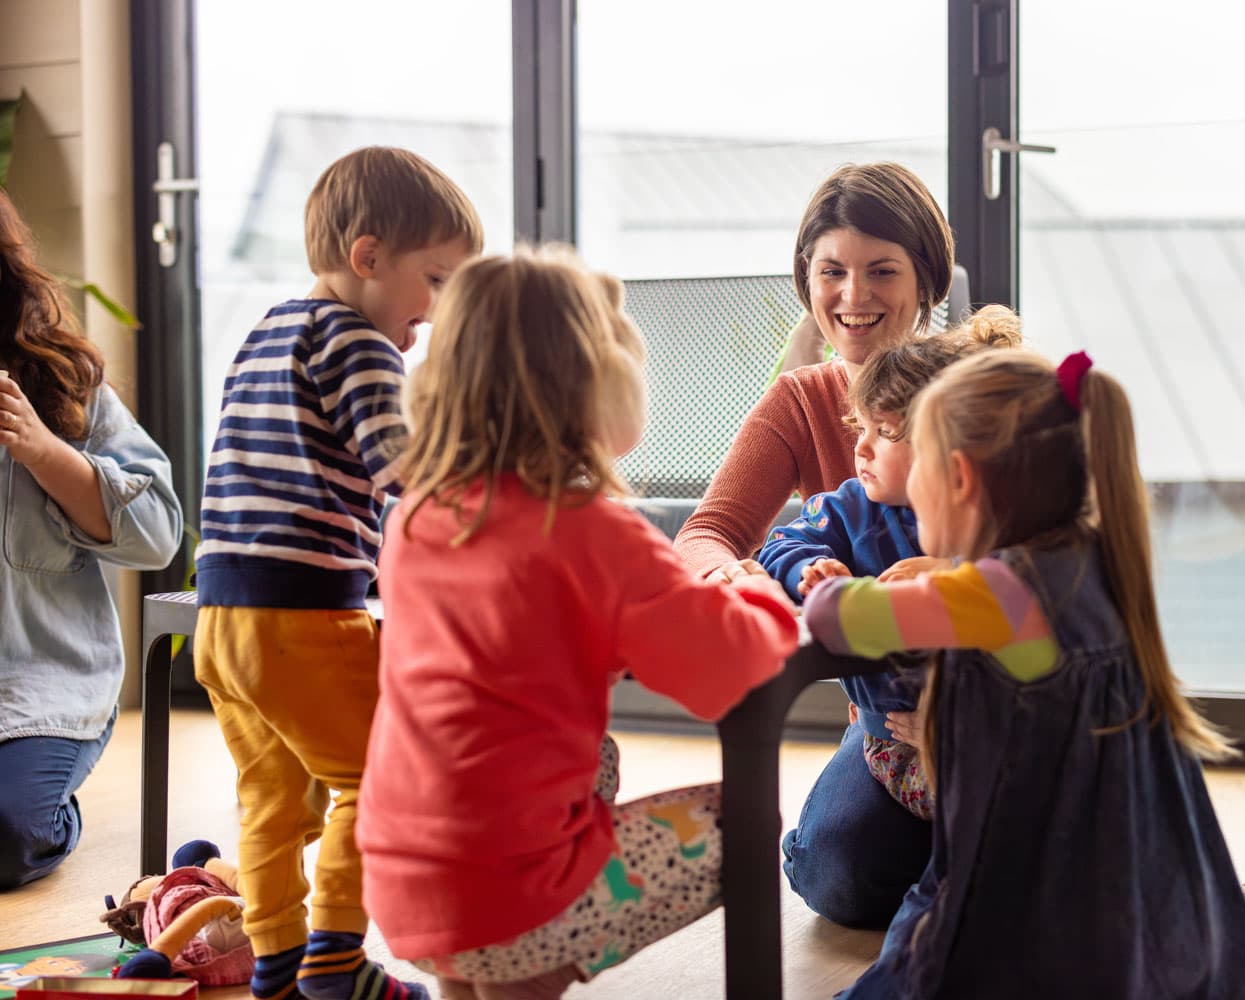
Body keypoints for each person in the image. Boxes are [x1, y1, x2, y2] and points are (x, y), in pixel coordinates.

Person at [356, 248, 800, 1000]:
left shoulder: (419, 517)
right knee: (742, 821)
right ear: (595, 385)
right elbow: (730, 666)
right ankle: (530, 965)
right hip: (515, 894)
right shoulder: (592, 531)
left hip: (402, 876)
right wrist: (758, 593)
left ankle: (487, 970)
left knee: (591, 758)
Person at [804, 349, 1245, 997]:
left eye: (920, 475)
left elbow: (842, 622)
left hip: (1027, 879)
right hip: (1124, 873)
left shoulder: (996, 593)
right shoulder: (1097, 559)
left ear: (959, 478)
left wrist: (827, 585)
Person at [191, 146, 482, 1000]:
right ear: (367, 258)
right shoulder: (360, 341)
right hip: (304, 617)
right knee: (378, 777)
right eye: (433, 281)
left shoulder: (265, 333)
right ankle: (336, 960)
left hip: (220, 617)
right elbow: (400, 471)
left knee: (270, 797)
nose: (433, 314)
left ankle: (276, 958)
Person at [673, 161, 955, 928]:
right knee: (839, 877)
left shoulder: (976, 386)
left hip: (1005, 697)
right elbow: (706, 533)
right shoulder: (800, 399)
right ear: (807, 281)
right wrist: (736, 576)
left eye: (880, 271)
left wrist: (961, 580)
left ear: (926, 278)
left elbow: (1068, 547)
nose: (853, 296)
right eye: (831, 271)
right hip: (888, 719)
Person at [758, 306, 1024, 821]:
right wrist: (811, 571)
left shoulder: (987, 516)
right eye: (861, 426)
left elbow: (1029, 601)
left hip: (988, 730)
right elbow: (781, 545)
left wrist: (952, 575)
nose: (861, 447)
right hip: (893, 740)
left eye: (884, 432)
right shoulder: (849, 505)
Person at [0, 188, 183, 890]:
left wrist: (43, 450)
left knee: (12, 832)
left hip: (37, 687)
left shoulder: (60, 381)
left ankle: (54, 808)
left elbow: (159, 533)